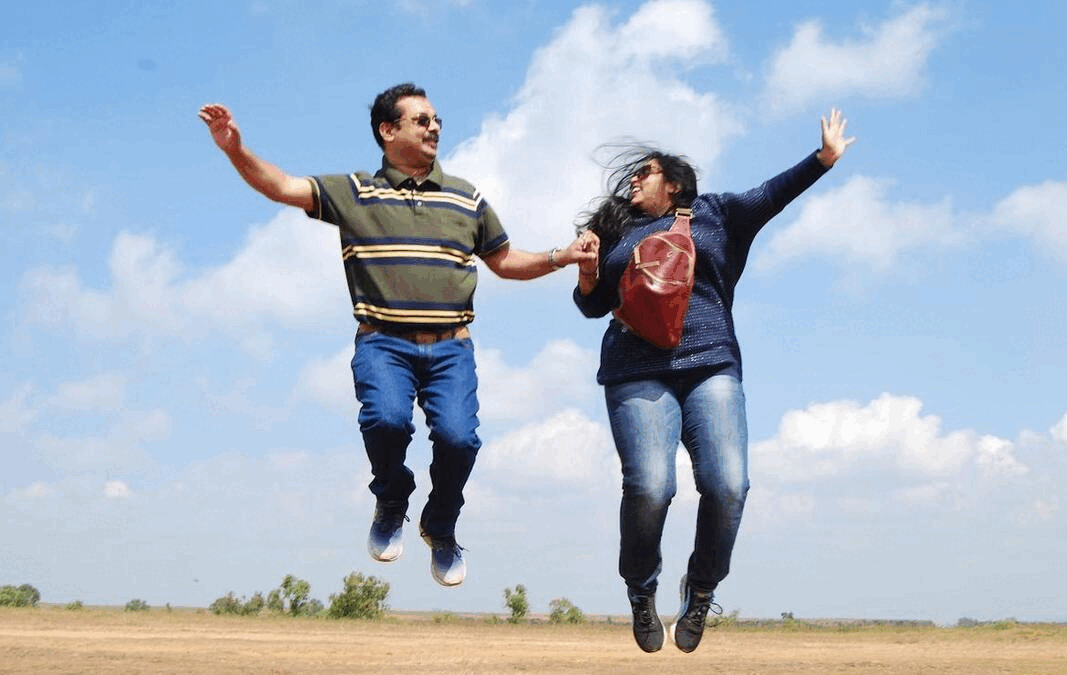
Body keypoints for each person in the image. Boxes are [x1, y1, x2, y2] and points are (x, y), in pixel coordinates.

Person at [199, 82, 594, 588]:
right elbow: (280, 185)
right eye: (421, 120)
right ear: (388, 131)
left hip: (451, 348)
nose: (434, 127)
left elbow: (504, 261)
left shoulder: (466, 197)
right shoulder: (355, 191)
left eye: (437, 120)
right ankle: (391, 498)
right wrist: (234, 148)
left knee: (458, 439)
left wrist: (561, 256)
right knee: (386, 421)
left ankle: (441, 524)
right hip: (383, 342)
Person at [572, 110, 855, 652]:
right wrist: (588, 273)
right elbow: (593, 306)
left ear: (674, 183)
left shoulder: (718, 214)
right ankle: (641, 589)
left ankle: (700, 589)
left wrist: (822, 159)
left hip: (710, 364)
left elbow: (774, 193)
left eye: (645, 171)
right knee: (652, 487)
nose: (634, 180)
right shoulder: (617, 231)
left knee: (728, 486)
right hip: (635, 369)